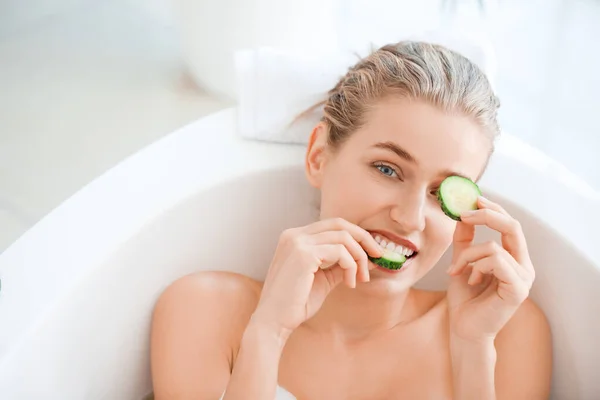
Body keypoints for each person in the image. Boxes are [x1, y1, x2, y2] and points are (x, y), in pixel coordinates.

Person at [149, 41, 552, 400]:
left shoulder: (507, 333)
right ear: (318, 157)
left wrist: (471, 351)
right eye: (387, 169)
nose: (410, 218)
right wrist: (267, 333)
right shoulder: (205, 312)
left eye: (439, 193)